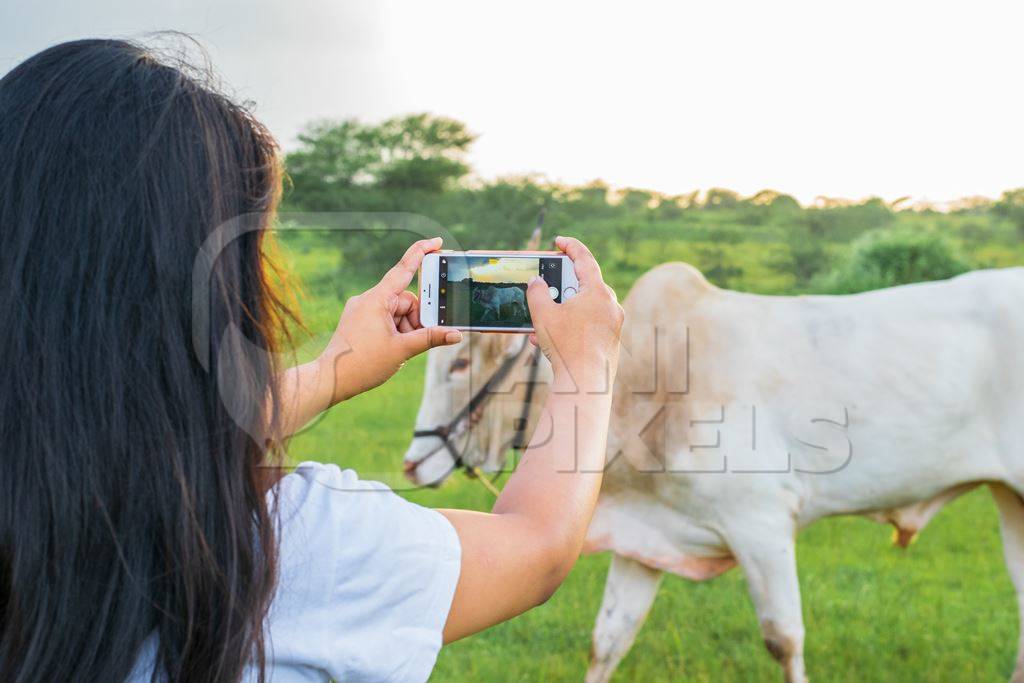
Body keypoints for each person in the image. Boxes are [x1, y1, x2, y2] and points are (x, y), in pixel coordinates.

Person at [0, 38, 624, 683]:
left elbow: (145, 436)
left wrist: (332, 372)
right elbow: (538, 547)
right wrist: (586, 364)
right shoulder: (295, 549)